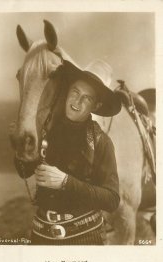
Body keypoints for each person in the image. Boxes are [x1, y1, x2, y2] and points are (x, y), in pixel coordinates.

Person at [14, 59, 122, 245]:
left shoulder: (101, 142)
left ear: (96, 106)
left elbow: (112, 200)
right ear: (68, 91)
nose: (77, 101)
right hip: (41, 237)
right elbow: (25, 171)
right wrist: (19, 148)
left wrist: (65, 182)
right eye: (75, 92)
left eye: (87, 98)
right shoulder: (47, 130)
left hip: (85, 239)